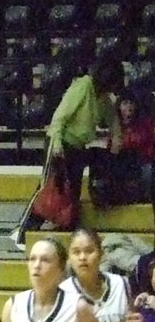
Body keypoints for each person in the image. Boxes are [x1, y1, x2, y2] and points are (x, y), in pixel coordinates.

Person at [13, 56, 125, 246]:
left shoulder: (103, 97)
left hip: (78, 147)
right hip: (60, 142)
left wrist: (116, 139)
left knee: (71, 193)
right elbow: (59, 117)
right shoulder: (83, 86)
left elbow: (113, 119)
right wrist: (56, 145)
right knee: (49, 188)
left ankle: (65, 233)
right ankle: (22, 232)